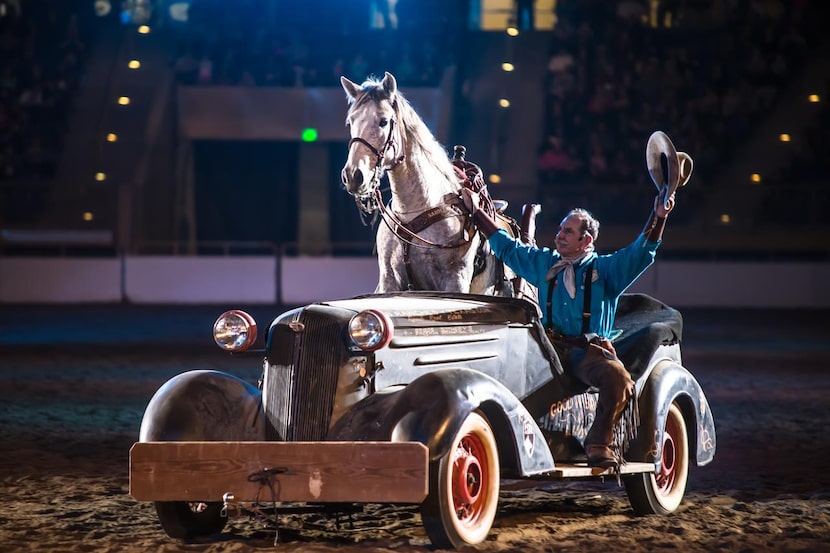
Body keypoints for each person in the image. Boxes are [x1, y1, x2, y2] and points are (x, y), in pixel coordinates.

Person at [461, 186, 676, 469]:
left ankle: (599, 442)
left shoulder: (607, 270)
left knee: (619, 380)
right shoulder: (545, 264)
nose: (560, 235)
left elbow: (642, 251)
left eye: (568, 232)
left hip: (588, 352)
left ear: (586, 240)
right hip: (547, 348)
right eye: (561, 229)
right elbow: (507, 248)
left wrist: (658, 216)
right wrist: (476, 212)